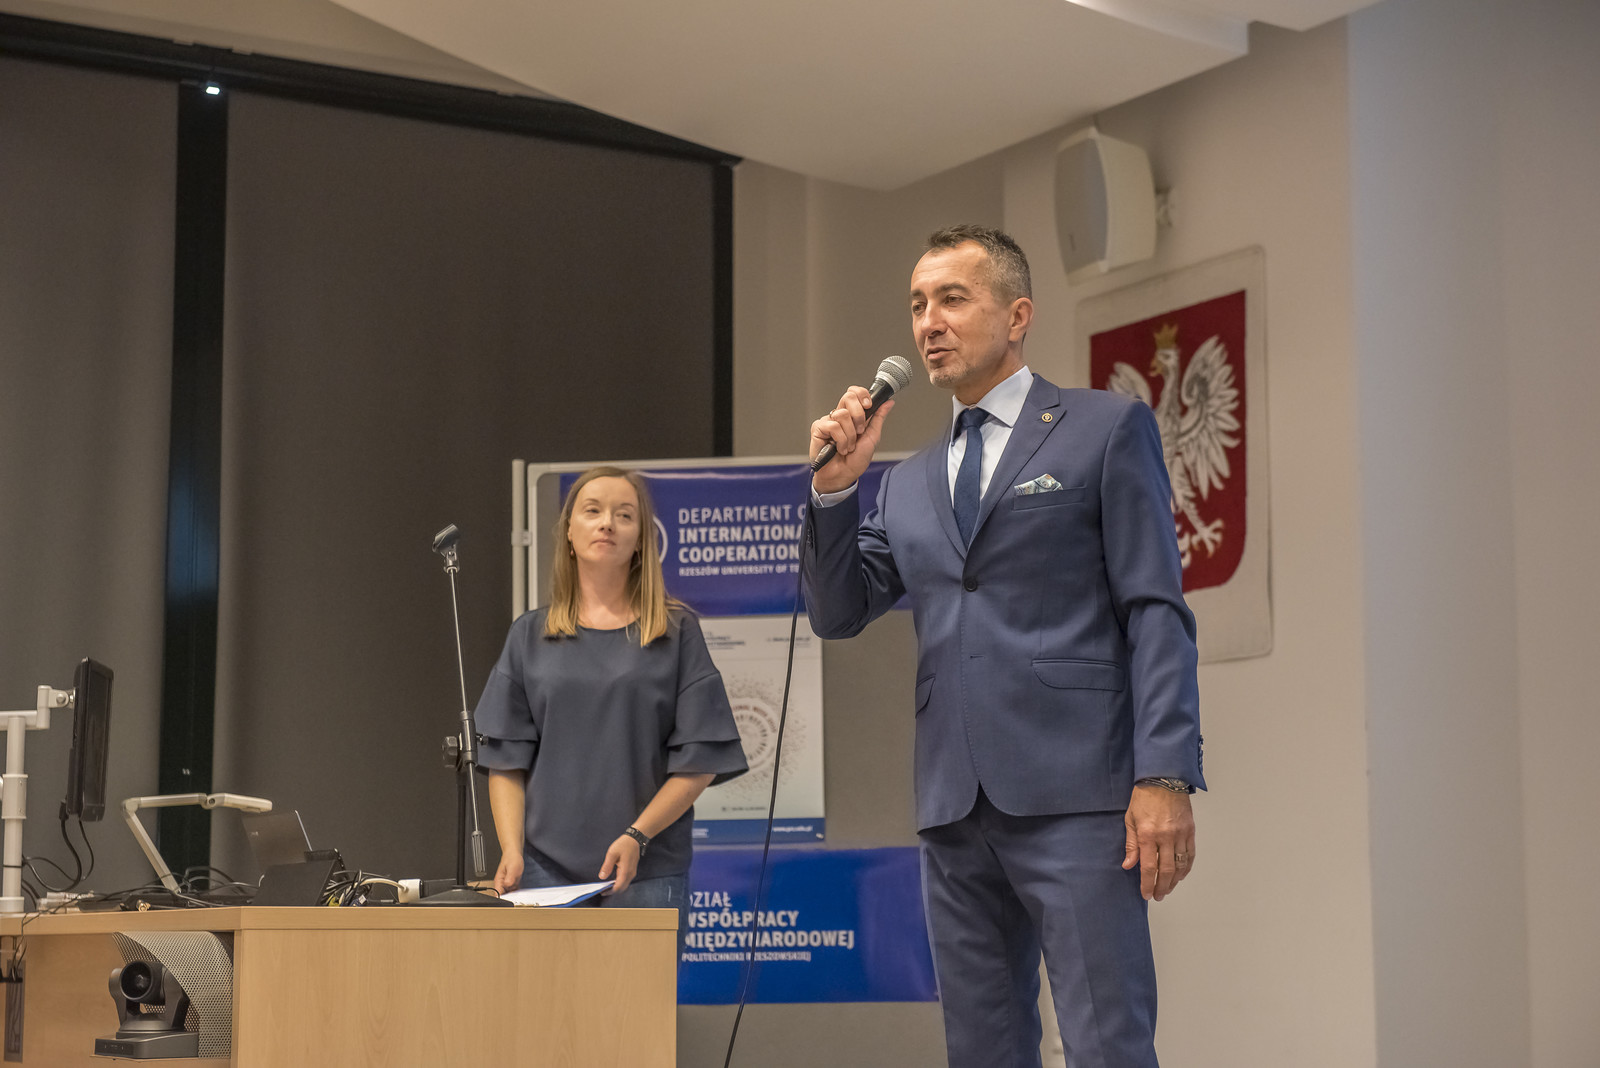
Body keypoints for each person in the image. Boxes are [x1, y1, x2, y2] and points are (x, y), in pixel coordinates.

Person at [803, 225, 1204, 1068]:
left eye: (952, 298)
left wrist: (1164, 774)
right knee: (982, 1051)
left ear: (1017, 315)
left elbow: (1155, 610)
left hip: (1080, 798)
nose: (929, 323)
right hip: (954, 810)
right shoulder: (906, 481)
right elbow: (838, 613)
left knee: (1106, 1045)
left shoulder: (1104, 428)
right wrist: (836, 492)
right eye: (918, 305)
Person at [474, 466, 747, 924]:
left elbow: (700, 761)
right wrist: (512, 849)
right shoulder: (528, 635)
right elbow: (505, 759)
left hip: (648, 868)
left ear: (640, 539)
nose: (607, 524)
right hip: (542, 870)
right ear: (568, 531)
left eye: (624, 515)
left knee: (639, 979)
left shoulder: (677, 632)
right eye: (593, 511)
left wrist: (638, 836)